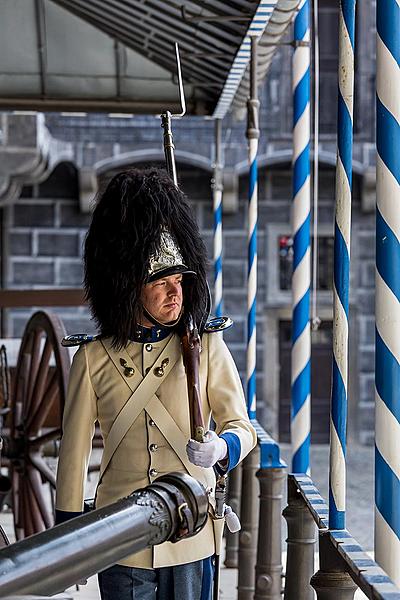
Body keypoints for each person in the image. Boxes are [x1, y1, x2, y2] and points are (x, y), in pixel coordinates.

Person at [55, 168, 257, 600]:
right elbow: (71, 461)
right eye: (161, 284)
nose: (175, 294)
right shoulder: (92, 359)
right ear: (129, 287)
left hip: (192, 527)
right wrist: (68, 544)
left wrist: (222, 448)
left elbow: (243, 427)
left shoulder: (206, 346)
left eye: (180, 281)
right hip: (121, 535)